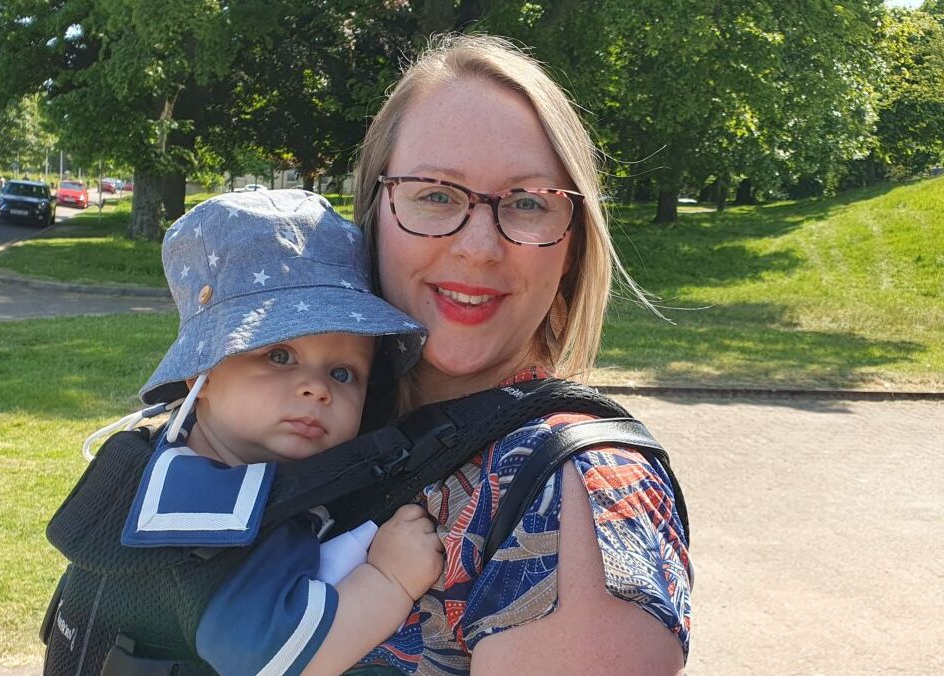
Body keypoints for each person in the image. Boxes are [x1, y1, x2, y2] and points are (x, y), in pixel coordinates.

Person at [344, 33, 693, 673]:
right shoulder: (307, 422)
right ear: (373, 211)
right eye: (435, 193)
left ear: (572, 249)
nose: (478, 247)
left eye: (528, 203)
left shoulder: (576, 492)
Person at [120, 188, 443, 675]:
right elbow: (264, 655)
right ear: (198, 375)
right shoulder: (212, 506)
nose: (316, 388)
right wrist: (389, 579)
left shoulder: (197, 467)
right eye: (279, 356)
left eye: (342, 373)